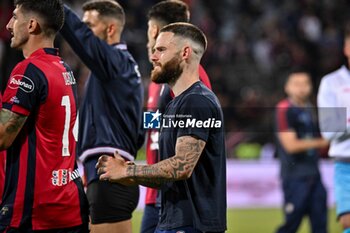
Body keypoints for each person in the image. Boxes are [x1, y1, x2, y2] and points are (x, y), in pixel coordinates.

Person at [97, 22, 227, 233]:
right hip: (174, 221)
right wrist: (129, 175)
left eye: (161, 50)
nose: (154, 57)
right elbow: (170, 176)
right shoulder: (175, 103)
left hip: (191, 224)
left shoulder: (196, 102)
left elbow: (182, 166)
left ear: (185, 52)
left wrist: (128, 170)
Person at [0, 0, 88, 232]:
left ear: (31, 25)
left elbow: (2, 137)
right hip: (69, 204)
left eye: (15, 17)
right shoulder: (64, 68)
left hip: (35, 211)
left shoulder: (28, 70)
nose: (9, 25)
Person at [60, 1, 144, 233]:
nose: (85, 31)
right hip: (108, 174)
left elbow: (80, 38)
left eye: (90, 26)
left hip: (109, 176)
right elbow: (138, 131)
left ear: (110, 29)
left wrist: (55, 6)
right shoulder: (122, 68)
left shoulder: (114, 63)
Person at [143, 1, 212, 232]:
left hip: (177, 194)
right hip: (157, 191)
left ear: (153, 30)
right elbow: (157, 123)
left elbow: (194, 129)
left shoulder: (190, 79)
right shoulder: (160, 78)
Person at [275, 69, 328, 233]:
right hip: (295, 177)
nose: (302, 88)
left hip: (315, 175)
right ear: (287, 87)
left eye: (305, 83)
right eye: (296, 84)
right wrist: (323, 142)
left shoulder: (310, 108)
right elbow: (290, 145)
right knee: (291, 225)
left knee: (320, 226)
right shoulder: (284, 109)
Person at [317, 25, 350, 233]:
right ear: (346, 48)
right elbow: (329, 129)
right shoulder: (332, 83)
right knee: (348, 221)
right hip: (346, 163)